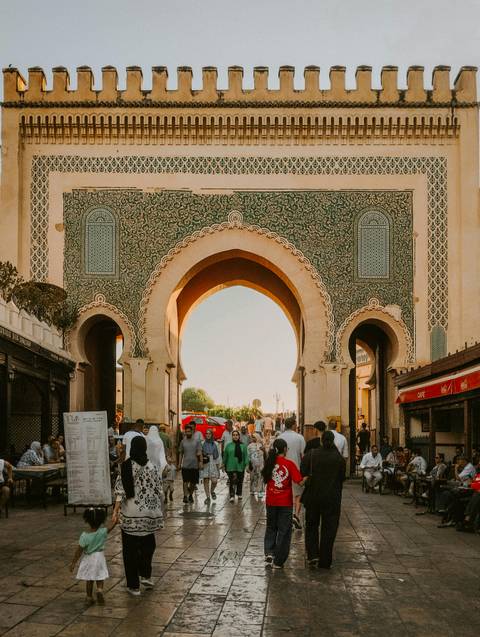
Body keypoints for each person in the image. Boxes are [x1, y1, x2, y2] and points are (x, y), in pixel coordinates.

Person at [113, 436, 164, 595]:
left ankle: (133, 585)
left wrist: (115, 510)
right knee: (148, 546)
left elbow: (120, 491)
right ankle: (146, 575)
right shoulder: (153, 467)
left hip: (131, 515)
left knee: (130, 550)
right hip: (149, 514)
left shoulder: (126, 466)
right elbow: (160, 491)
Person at [300, 430, 346, 569]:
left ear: (321, 440)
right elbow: (342, 478)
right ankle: (325, 560)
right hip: (332, 498)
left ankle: (313, 555)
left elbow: (303, 472)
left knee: (312, 526)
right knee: (329, 529)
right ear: (333, 441)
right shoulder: (339, 459)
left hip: (313, 497)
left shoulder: (312, 455)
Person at [262, 438, 304, 569]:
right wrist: (308, 477)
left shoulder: (269, 463)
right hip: (285, 502)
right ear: (285, 449)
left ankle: (269, 552)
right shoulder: (289, 464)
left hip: (271, 500)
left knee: (271, 527)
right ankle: (279, 560)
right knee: (284, 531)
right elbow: (300, 481)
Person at [70, 507, 116, 605]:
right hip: (99, 557)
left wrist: (74, 562)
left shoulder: (84, 536)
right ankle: (99, 590)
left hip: (89, 558)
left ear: (87, 521)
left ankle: (89, 597)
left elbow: (79, 551)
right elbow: (110, 527)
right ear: (101, 521)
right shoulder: (102, 532)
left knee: (89, 578)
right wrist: (115, 521)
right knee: (100, 576)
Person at [279, 416, 306, 529]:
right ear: (294, 425)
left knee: (286, 494)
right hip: (296, 468)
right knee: (298, 494)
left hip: (282, 470)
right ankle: (296, 515)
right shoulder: (299, 437)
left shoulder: (279, 437)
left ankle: (287, 516)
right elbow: (303, 455)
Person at [178, 424, 203, 503]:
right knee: (185, 481)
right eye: (186, 432)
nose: (187, 433)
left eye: (189, 431)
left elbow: (199, 452)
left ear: (192, 431)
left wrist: (200, 463)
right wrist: (179, 464)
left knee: (193, 483)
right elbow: (181, 453)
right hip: (185, 465)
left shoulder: (197, 441)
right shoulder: (183, 441)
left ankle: (191, 495)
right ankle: (185, 496)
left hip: (194, 465)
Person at [223, 429, 248, 503]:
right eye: (234, 435)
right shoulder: (228, 445)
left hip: (240, 466)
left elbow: (246, 456)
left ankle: (239, 493)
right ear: (232, 436)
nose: (235, 436)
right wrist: (223, 464)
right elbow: (225, 456)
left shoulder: (243, 445)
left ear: (239, 436)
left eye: (237, 435)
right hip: (230, 466)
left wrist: (247, 465)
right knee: (232, 481)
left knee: (240, 480)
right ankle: (232, 495)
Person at [201, 429, 221, 504]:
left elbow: (218, 457)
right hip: (205, 462)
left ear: (212, 435)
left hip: (213, 461)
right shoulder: (202, 443)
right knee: (206, 480)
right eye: (206, 433)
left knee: (214, 481)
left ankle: (212, 491)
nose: (208, 435)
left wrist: (218, 468)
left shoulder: (215, 444)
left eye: (209, 433)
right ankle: (208, 497)